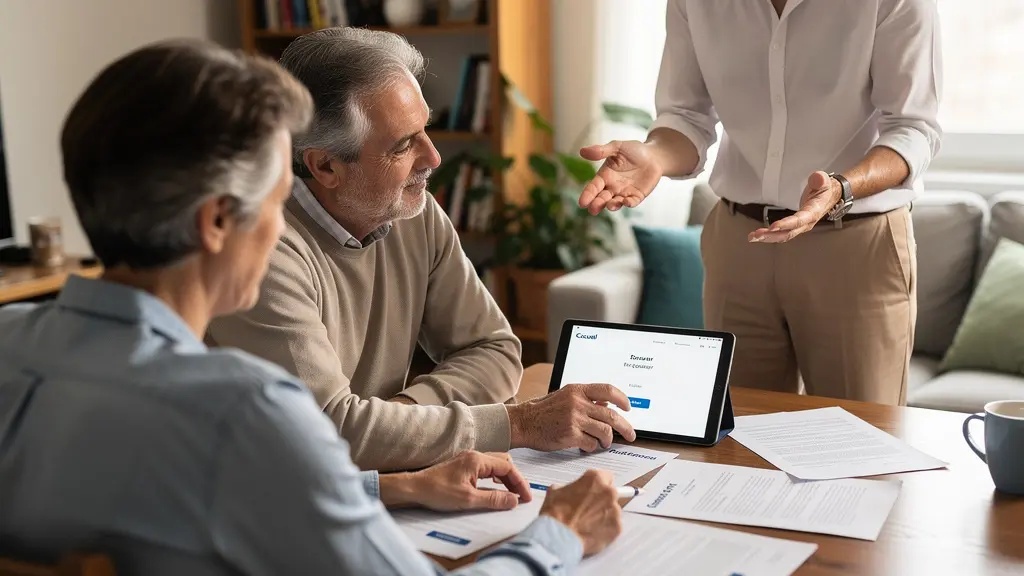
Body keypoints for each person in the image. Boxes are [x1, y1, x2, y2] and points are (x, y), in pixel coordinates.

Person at [0, 39, 623, 575]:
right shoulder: (246, 412)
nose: (282, 229)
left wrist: (385, 485)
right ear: (218, 222)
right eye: (276, 202)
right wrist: (558, 535)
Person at [206, 27, 636, 472]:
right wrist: (518, 424)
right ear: (326, 165)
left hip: (374, 483)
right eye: (403, 144)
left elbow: (495, 349)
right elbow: (330, 434)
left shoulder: (413, 209)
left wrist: (401, 421)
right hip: (263, 499)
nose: (433, 158)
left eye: (425, 130)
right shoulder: (259, 251)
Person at [578, 0, 942, 405]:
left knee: (861, 443)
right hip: (739, 241)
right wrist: (656, 157)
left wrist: (841, 186)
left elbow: (913, 126)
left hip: (855, 244)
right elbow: (685, 115)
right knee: (737, 437)